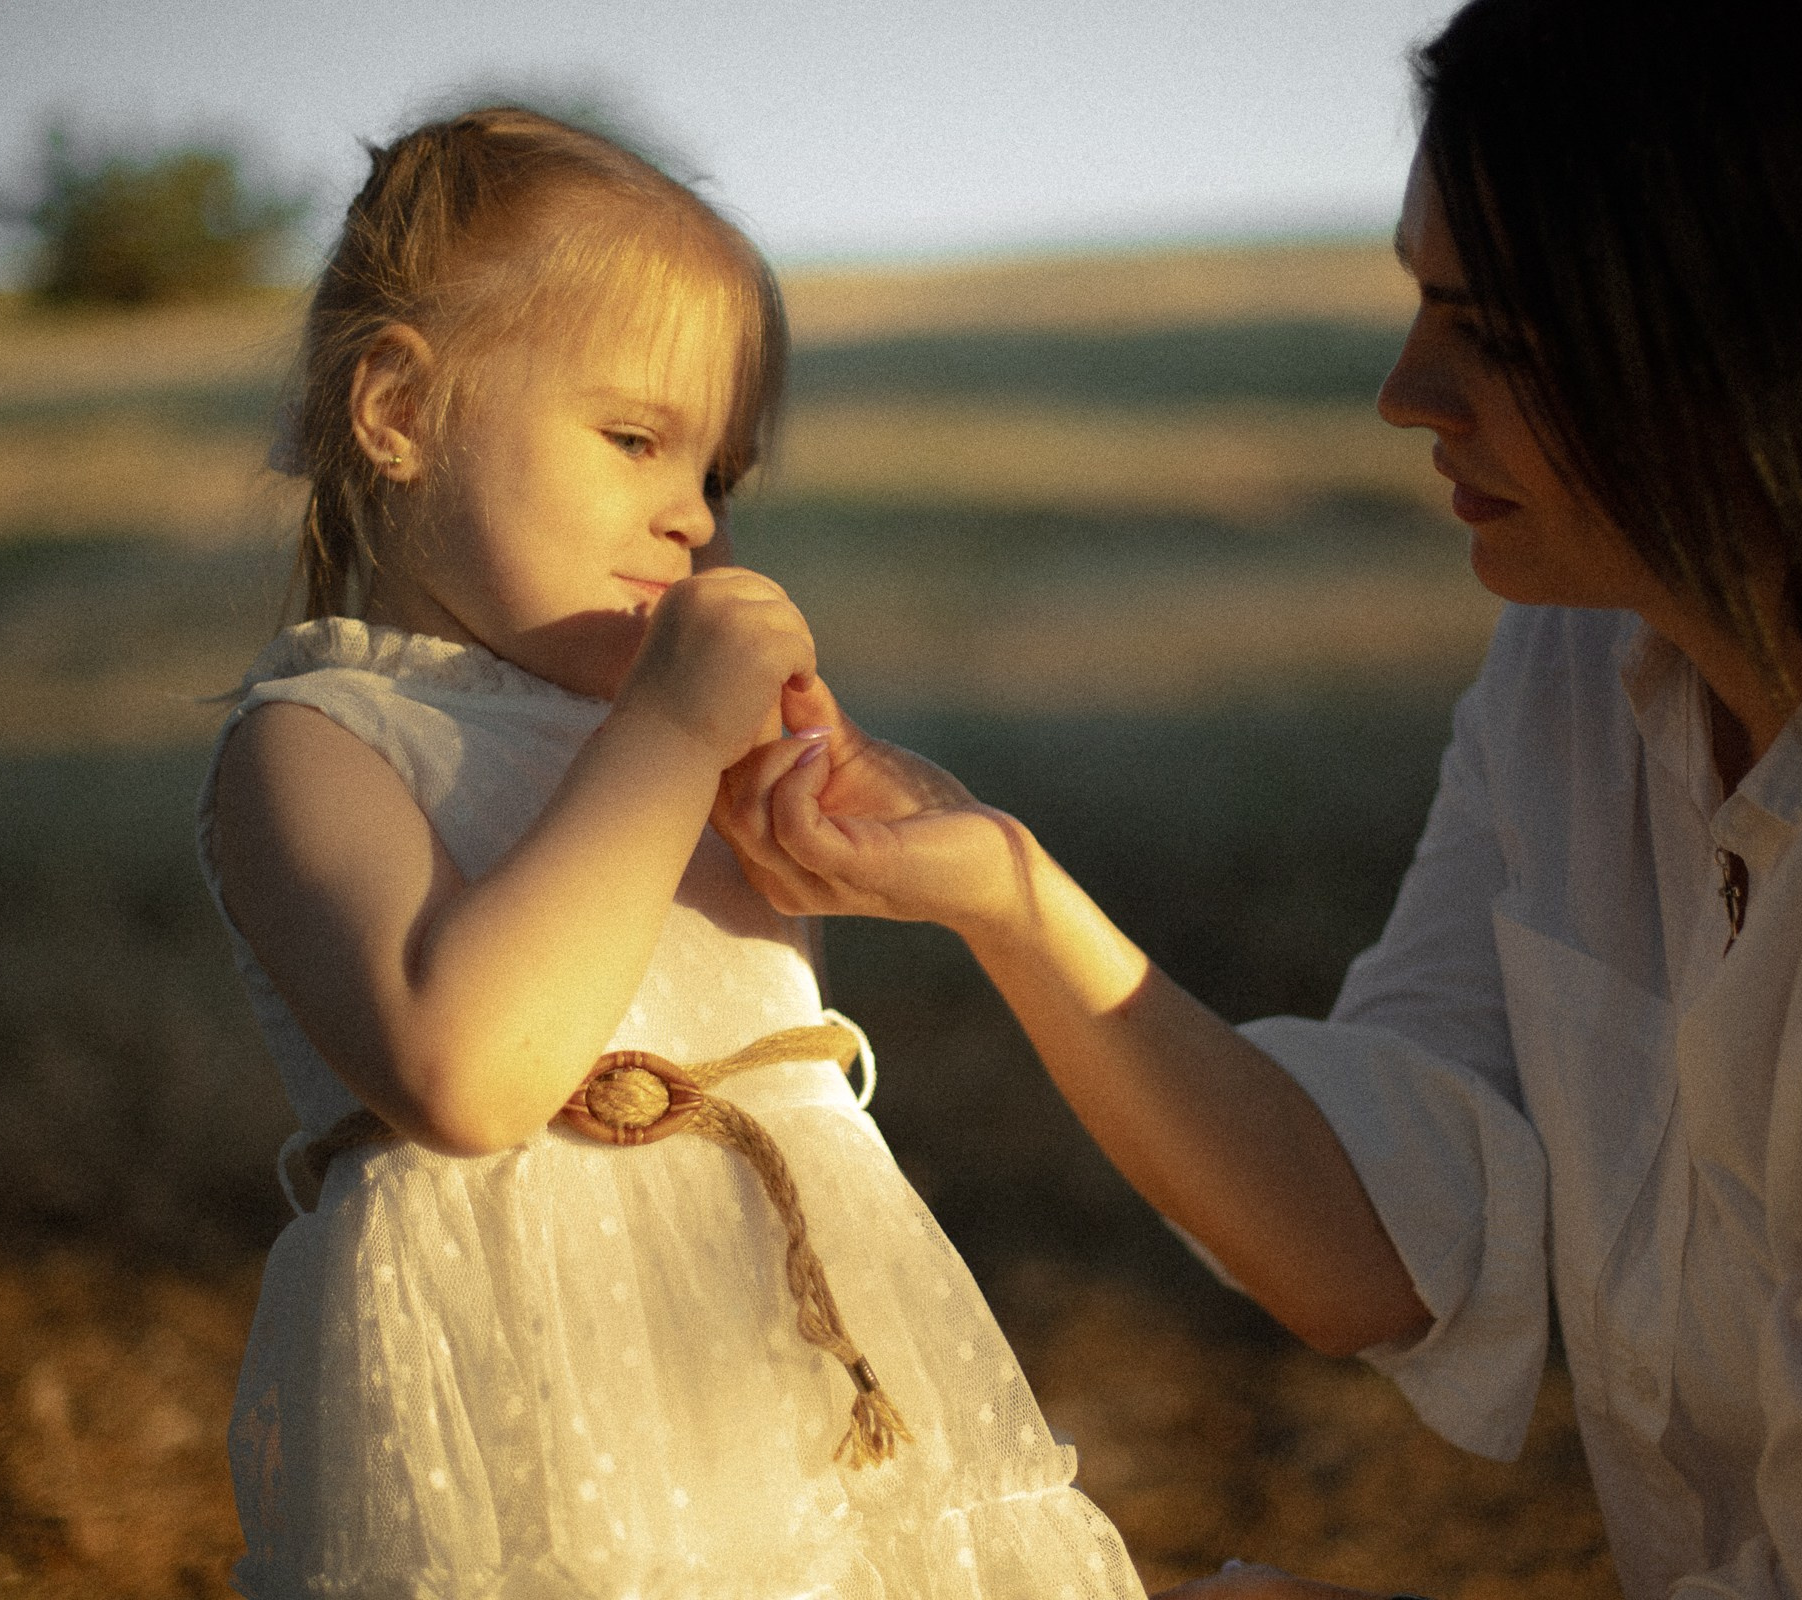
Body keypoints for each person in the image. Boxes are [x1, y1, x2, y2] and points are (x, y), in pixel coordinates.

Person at [714, 1, 1802, 1594]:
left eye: (1499, 333)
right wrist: (1005, 892)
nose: (1410, 392)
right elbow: (1365, 1241)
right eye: (1425, 301)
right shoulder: (1579, 676)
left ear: (1768, 351)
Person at [197, 108, 1147, 1599]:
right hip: (537, 1436)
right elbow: (469, 1074)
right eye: (636, 438)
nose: (691, 515)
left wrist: (818, 805)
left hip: (792, 1390)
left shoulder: (656, 747)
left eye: (721, 473)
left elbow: (771, 1056)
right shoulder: (319, 742)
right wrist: (663, 743)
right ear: (398, 410)